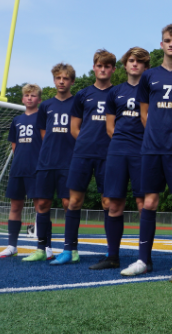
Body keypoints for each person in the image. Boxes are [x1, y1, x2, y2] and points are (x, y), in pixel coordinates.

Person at [120, 24, 172, 278]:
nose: (171, 44)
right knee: (149, 202)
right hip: (151, 149)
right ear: (161, 45)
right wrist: (156, 135)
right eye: (166, 40)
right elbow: (144, 113)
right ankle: (144, 260)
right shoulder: (149, 77)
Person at [50, 50, 115, 265]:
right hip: (83, 154)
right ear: (94, 68)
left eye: (107, 66)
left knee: (108, 202)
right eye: (99, 65)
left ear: (113, 69)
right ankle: (70, 251)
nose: (103, 69)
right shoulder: (83, 94)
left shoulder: (118, 94)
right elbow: (74, 128)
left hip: (108, 156)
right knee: (74, 201)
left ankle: (111, 251)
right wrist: (87, 142)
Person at [89, 47, 150, 270]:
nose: (135, 64)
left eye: (140, 61)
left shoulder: (151, 90)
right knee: (113, 204)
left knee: (144, 204)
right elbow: (109, 126)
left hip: (143, 150)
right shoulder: (114, 93)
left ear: (145, 66)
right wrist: (123, 142)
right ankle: (112, 256)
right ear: (125, 65)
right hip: (117, 150)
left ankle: (145, 257)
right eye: (131, 60)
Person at [23, 64, 77, 262]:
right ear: (54, 80)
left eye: (65, 78)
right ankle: (41, 247)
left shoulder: (77, 103)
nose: (61, 81)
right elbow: (44, 134)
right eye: (58, 78)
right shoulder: (45, 105)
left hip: (68, 161)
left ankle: (72, 248)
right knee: (43, 203)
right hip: (46, 162)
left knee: (68, 204)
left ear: (71, 81)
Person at [0, 84, 42, 258]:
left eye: (33, 95)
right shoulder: (16, 120)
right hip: (18, 168)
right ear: (23, 98)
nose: (30, 98)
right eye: (27, 95)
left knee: (41, 206)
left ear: (39, 99)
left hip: (37, 168)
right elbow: (14, 145)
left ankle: (43, 246)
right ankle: (12, 245)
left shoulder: (43, 118)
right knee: (15, 206)